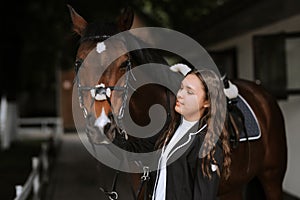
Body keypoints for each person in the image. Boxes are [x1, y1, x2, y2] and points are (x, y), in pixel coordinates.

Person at [151, 64, 231, 200]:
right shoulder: (171, 130)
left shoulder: (206, 144)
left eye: (189, 92)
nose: (180, 95)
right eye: (181, 88)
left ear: (207, 102)